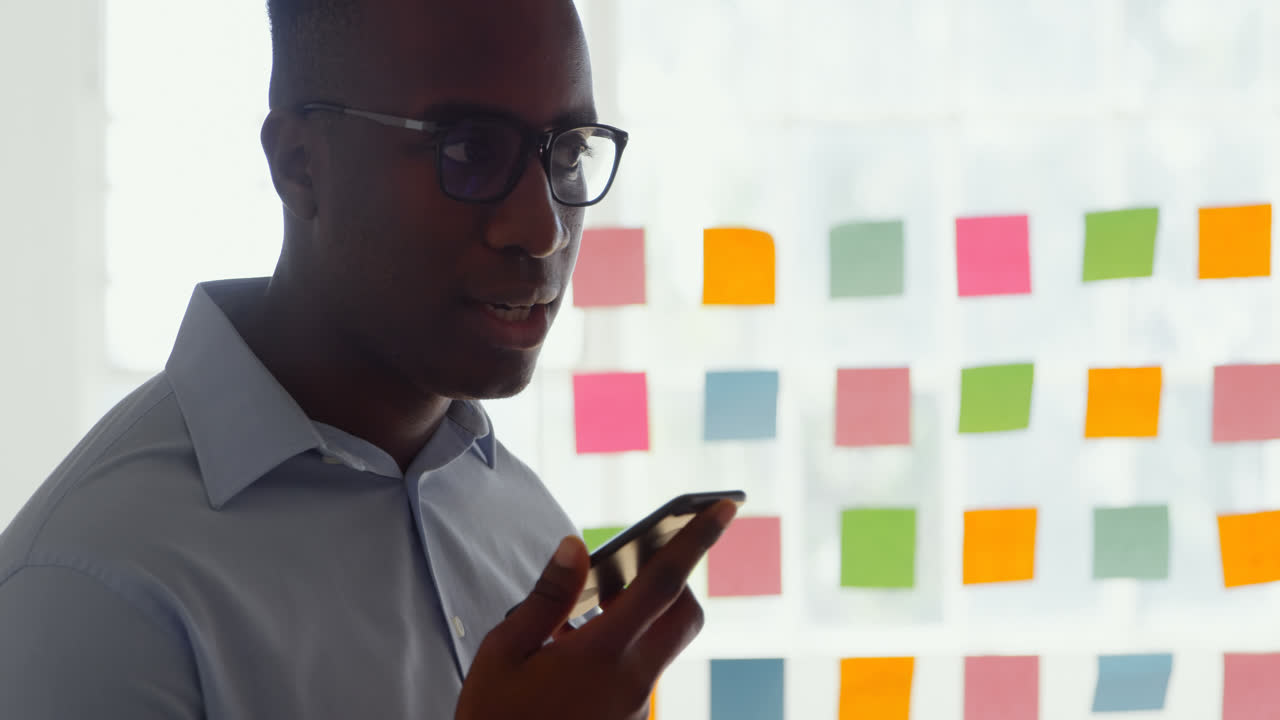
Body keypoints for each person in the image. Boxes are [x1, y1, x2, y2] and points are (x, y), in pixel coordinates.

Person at [0, 0, 738, 717]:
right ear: (300, 165)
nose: (543, 230)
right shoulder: (91, 592)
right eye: (472, 151)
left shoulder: (529, 528)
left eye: (570, 151)